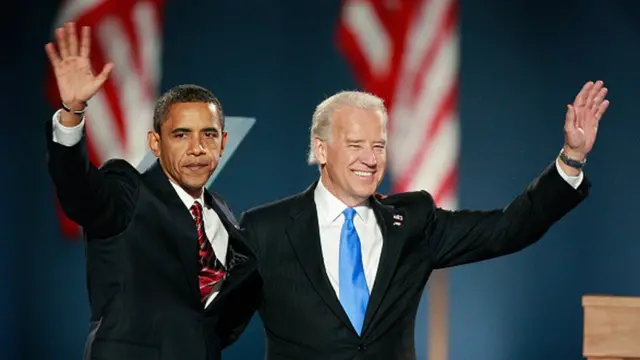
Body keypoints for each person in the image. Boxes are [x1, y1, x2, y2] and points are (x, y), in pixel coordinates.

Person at [238, 83, 609, 359]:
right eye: (355, 145)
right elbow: (216, 323)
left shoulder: (412, 222)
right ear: (321, 149)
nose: (370, 159)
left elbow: (508, 228)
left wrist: (571, 158)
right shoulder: (266, 229)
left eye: (379, 146)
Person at [44, 23, 260, 360]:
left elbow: (226, 308)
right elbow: (80, 192)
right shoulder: (130, 190)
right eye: (181, 135)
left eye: (208, 135)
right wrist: (72, 113)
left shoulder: (221, 213)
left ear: (223, 143)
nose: (197, 148)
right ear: (155, 143)